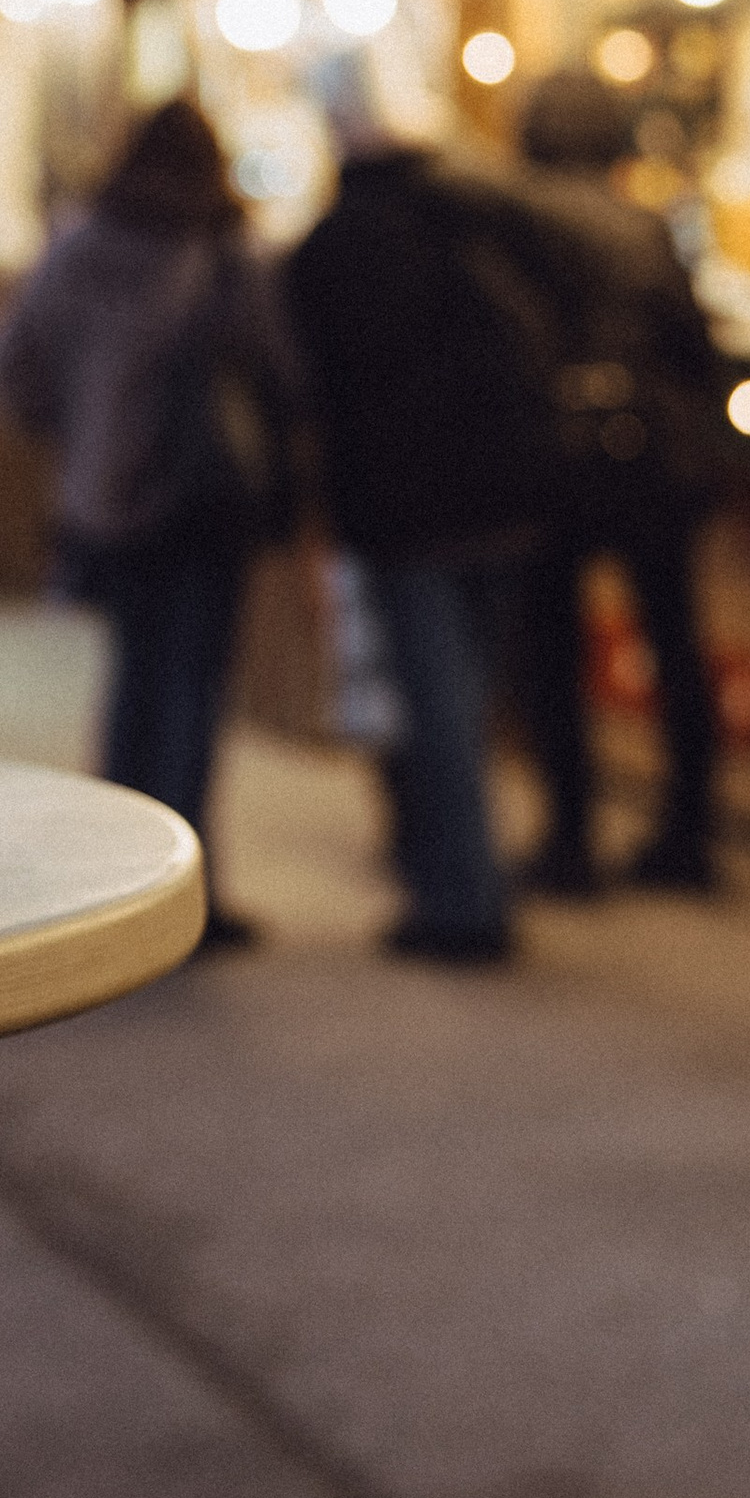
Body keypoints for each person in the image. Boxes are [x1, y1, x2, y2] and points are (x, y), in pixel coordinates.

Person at [0, 99, 307, 944]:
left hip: (104, 501)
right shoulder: (228, 256)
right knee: (193, 690)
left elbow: (6, 363)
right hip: (201, 500)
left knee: (129, 688)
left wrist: (75, 430)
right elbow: (278, 376)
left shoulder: (80, 246)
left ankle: (117, 882)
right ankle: (186, 892)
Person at [285, 49, 574, 964]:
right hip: (505, 491)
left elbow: (317, 390)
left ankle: (462, 900)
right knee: (478, 697)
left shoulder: (329, 249)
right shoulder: (480, 217)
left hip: (410, 511)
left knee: (439, 704)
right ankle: (472, 877)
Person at [508, 68, 725, 891]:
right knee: (674, 645)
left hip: (554, 463)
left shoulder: (515, 222)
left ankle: (570, 840)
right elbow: (694, 347)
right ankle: (689, 832)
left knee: (554, 655)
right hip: (655, 462)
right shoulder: (647, 228)